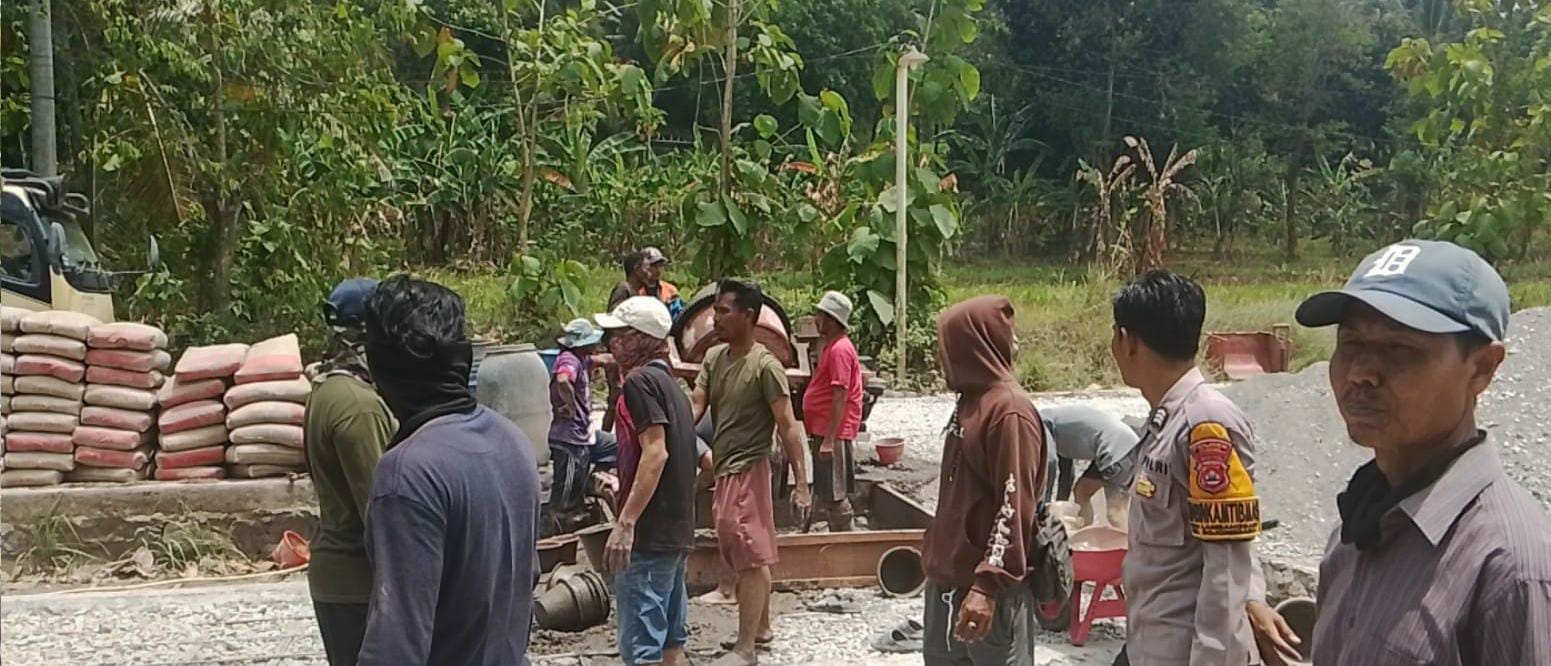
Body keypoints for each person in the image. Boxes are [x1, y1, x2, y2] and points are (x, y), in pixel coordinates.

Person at [1294, 240, 1550, 665]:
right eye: (1351, 343)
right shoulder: (1355, 532)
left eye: (1399, 350)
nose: (1360, 374)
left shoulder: (1511, 570)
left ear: (1482, 368)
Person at [355, 276, 540, 665]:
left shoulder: (407, 475)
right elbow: (528, 579)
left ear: (382, 366)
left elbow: (397, 640)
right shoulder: (511, 439)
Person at [1110, 270, 1278, 666]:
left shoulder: (1205, 424)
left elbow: (1227, 563)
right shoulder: (1167, 420)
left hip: (1184, 652)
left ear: (1127, 341)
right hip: (1148, 642)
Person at [691, 278, 811, 666]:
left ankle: (746, 648)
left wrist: (801, 483)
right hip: (724, 468)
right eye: (715, 311)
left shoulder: (766, 366)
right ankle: (761, 629)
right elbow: (696, 405)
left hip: (751, 467)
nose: (715, 319)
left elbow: (788, 427)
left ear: (749, 316)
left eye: (723, 312)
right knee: (745, 548)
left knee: (747, 552)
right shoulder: (714, 359)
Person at [921, 295, 1046, 666]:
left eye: (947, 345)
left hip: (985, 593)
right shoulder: (970, 403)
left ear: (972, 346)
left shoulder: (1008, 411)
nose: (941, 356)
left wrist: (987, 585)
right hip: (949, 584)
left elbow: (1014, 506)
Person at [597, 296, 699, 666]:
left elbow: (656, 453)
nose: (612, 343)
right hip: (675, 531)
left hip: (649, 536)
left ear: (642, 339)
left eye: (620, 334)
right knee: (671, 641)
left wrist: (626, 523)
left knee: (641, 649)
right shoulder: (673, 387)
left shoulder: (639, 383)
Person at [304, 278, 395, 666]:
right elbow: (382, 509)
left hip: (341, 579)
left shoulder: (329, 388)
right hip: (359, 582)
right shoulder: (359, 407)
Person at [800, 291, 864, 532]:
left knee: (835, 494)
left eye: (820, 315)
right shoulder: (832, 347)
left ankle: (847, 538)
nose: (816, 320)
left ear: (831, 320)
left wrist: (829, 440)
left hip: (833, 433)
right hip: (826, 430)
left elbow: (840, 396)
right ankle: (835, 534)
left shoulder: (839, 350)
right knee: (826, 489)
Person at [549, 318, 619, 525]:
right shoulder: (569, 360)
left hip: (583, 434)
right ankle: (560, 519)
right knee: (566, 486)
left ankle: (591, 485)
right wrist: (570, 405)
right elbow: (563, 380)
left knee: (616, 447)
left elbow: (603, 359)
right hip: (568, 437)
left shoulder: (582, 359)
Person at [1042, 403, 1140, 528]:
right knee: (1082, 491)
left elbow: (1050, 462)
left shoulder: (1040, 423)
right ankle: (1085, 537)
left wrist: (1044, 507)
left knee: (1115, 512)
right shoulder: (1055, 427)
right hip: (1117, 445)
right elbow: (1066, 474)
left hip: (1119, 449)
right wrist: (1060, 506)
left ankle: (1131, 540)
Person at [608, 247, 683, 318]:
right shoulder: (624, 288)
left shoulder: (636, 292)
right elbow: (614, 316)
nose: (649, 273)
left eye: (660, 265)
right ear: (637, 268)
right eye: (648, 267)